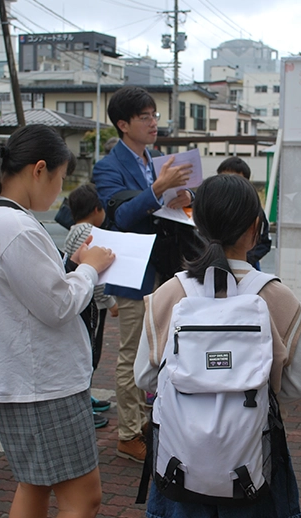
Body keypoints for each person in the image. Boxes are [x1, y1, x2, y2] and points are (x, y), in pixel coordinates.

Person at [134, 173, 301, 518]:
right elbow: (297, 387)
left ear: (197, 223)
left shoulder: (170, 293)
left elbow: (144, 377)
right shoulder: (278, 297)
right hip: (251, 454)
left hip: (184, 453)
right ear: (254, 228)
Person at [0, 124, 115, 518]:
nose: (59, 192)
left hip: (15, 380)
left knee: (33, 484)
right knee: (82, 500)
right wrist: (88, 268)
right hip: (42, 386)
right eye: (59, 179)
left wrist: (70, 268)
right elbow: (57, 304)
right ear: (38, 170)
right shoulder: (16, 226)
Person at [92, 85, 193, 463]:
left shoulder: (157, 160)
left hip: (167, 266)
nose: (154, 123)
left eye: (155, 115)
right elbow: (119, 217)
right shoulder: (108, 167)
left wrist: (184, 199)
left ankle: (157, 422)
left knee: (165, 347)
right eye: (145, 117)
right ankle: (128, 432)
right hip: (134, 270)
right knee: (132, 352)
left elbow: (169, 206)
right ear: (123, 124)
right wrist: (157, 190)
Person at [63, 183, 119, 429]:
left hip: (80, 300)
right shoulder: (91, 233)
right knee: (91, 352)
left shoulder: (73, 231)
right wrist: (109, 301)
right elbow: (95, 273)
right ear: (97, 209)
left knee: (86, 350)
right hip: (91, 303)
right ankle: (84, 404)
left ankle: (86, 397)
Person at [216, 156, 272, 270]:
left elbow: (265, 242)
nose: (229, 185)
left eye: (236, 179)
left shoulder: (255, 211)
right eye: (224, 178)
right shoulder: (211, 207)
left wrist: (246, 259)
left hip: (248, 267)